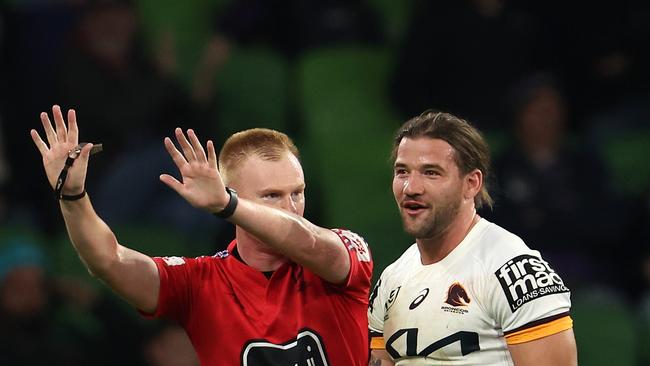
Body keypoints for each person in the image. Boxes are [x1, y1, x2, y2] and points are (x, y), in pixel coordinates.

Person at [30, 105, 373, 365]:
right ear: (233, 191)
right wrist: (72, 195)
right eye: (271, 195)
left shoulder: (344, 251)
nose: (290, 207)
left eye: (297, 192)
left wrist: (226, 205)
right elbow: (108, 259)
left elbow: (308, 241)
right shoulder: (201, 283)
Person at [368, 111, 577, 365]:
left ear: (471, 183)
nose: (411, 187)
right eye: (402, 172)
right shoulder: (391, 280)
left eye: (431, 173)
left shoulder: (515, 272)